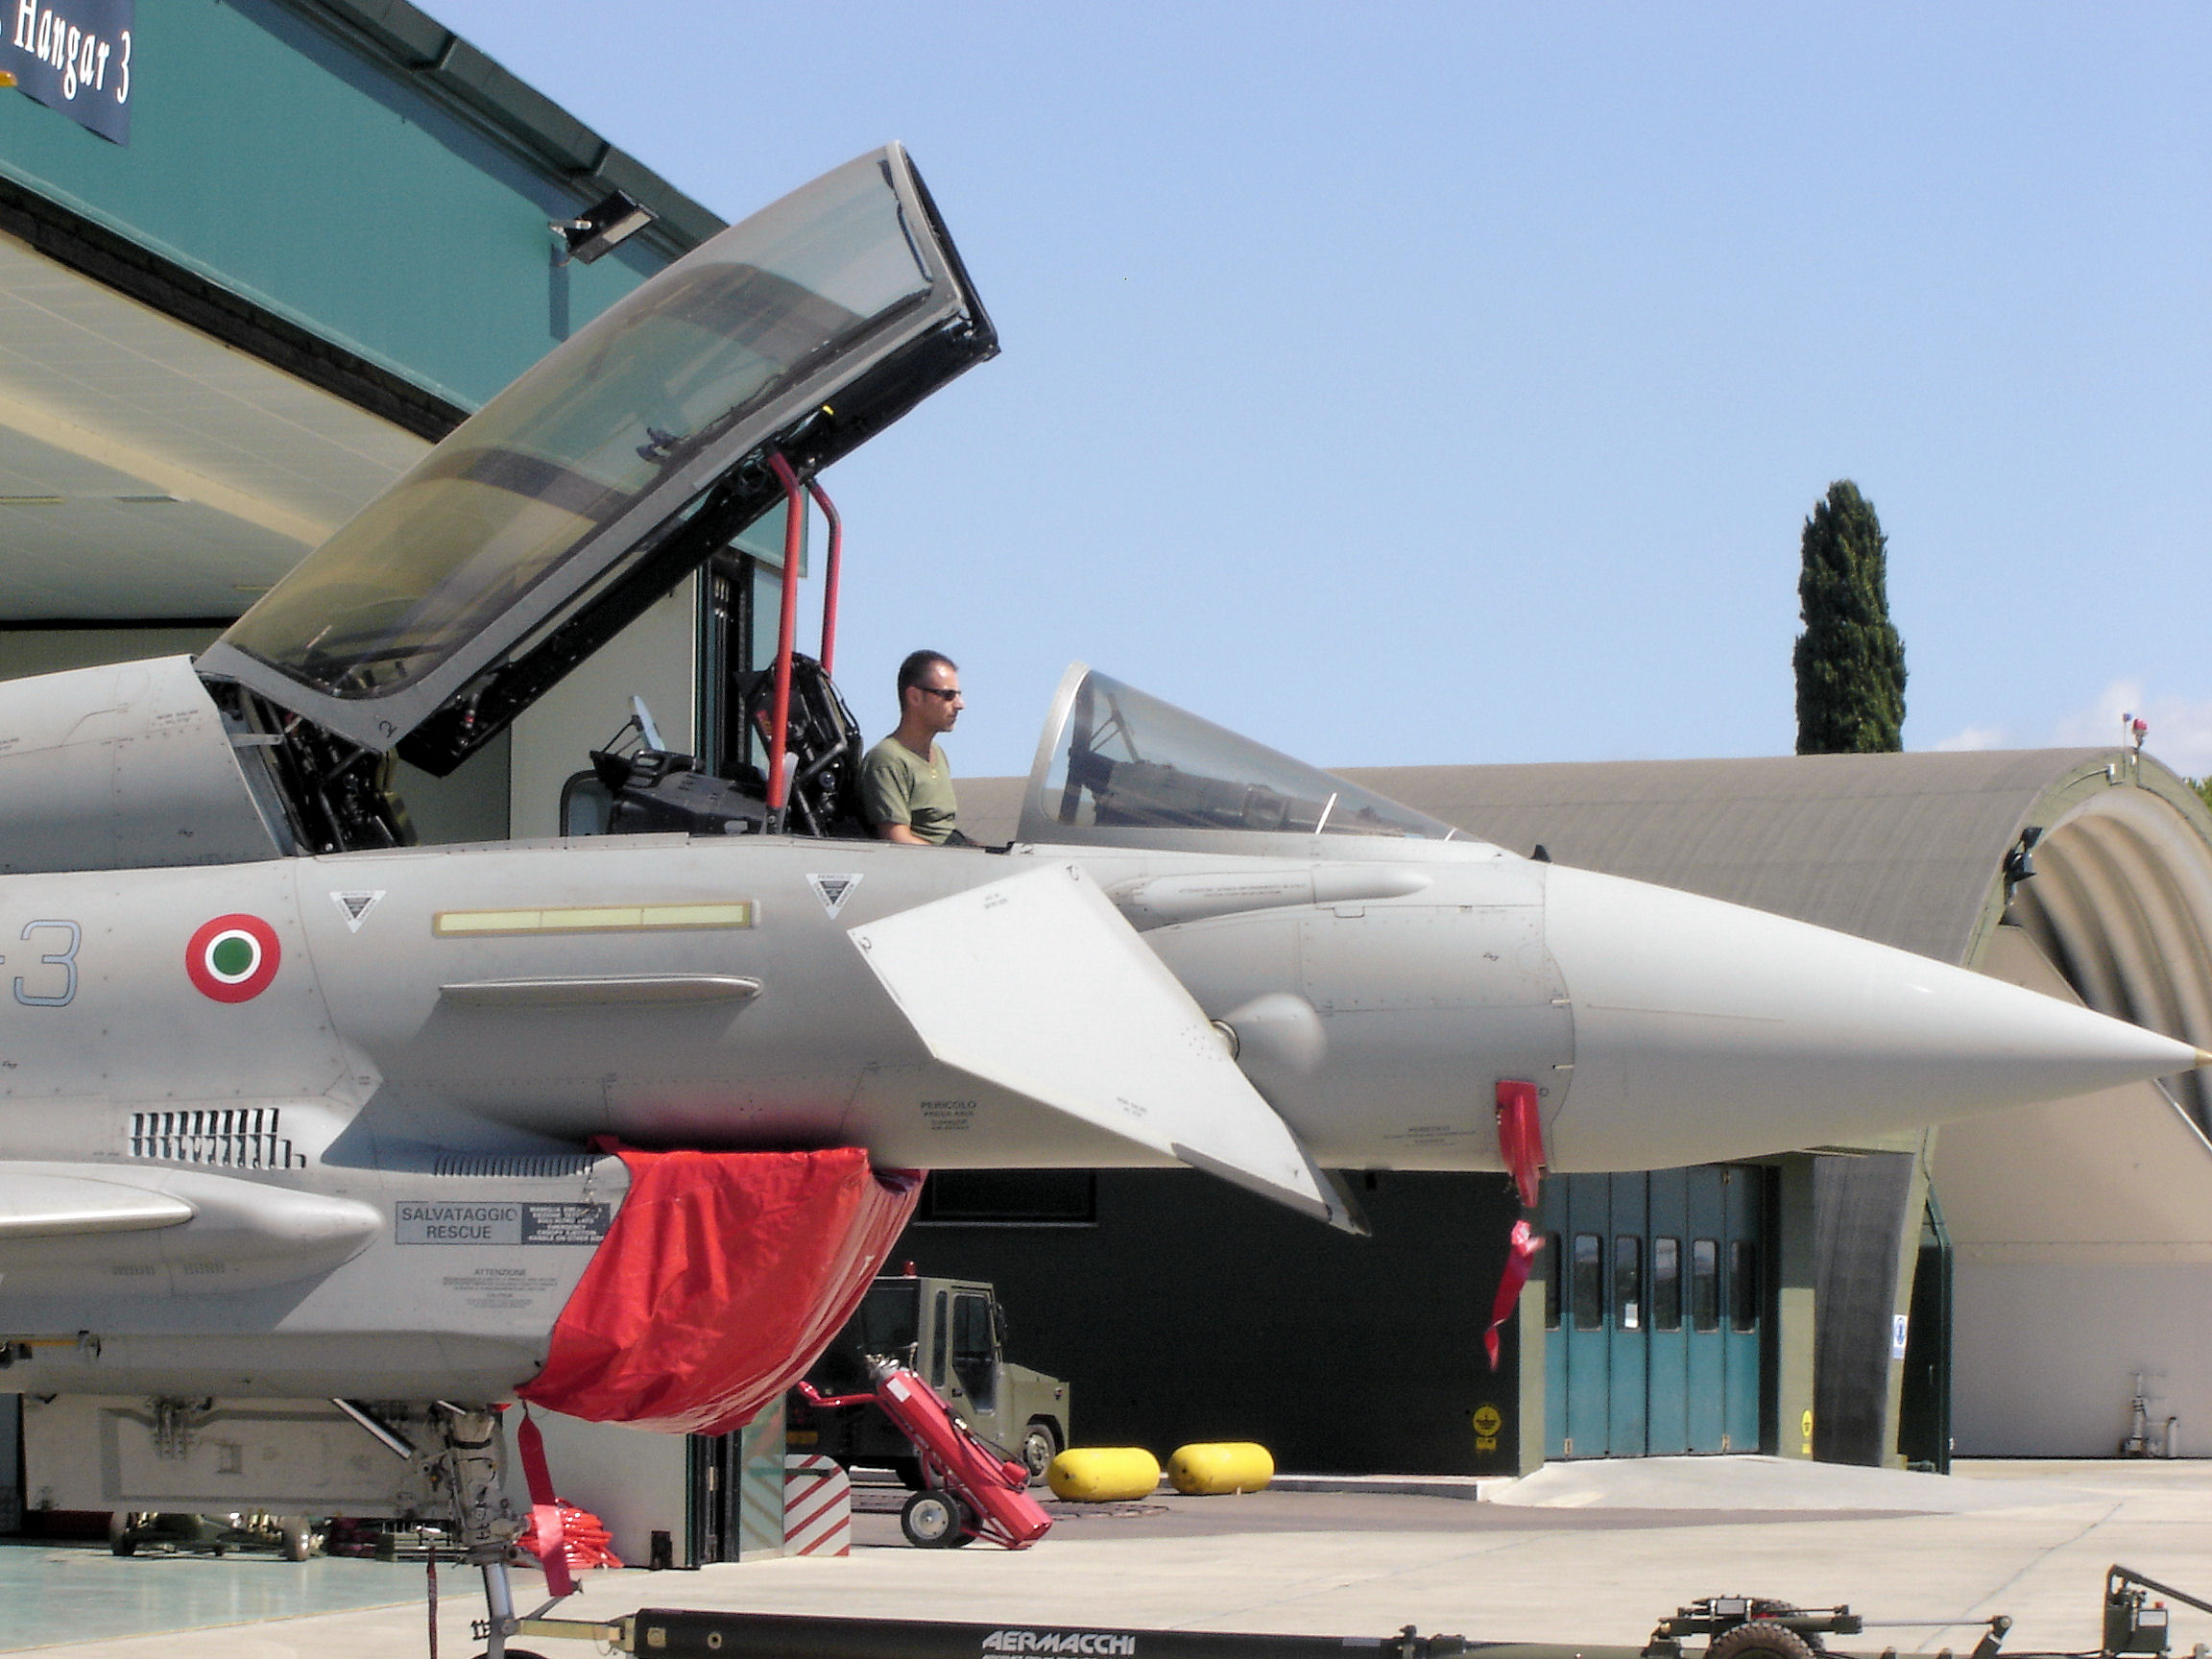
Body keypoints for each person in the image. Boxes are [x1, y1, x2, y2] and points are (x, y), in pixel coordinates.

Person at [860, 650, 965, 844]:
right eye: (948, 695)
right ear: (915, 697)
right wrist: (961, 860)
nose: (960, 704)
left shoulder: (938, 754)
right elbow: (897, 840)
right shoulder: (887, 760)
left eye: (958, 695)